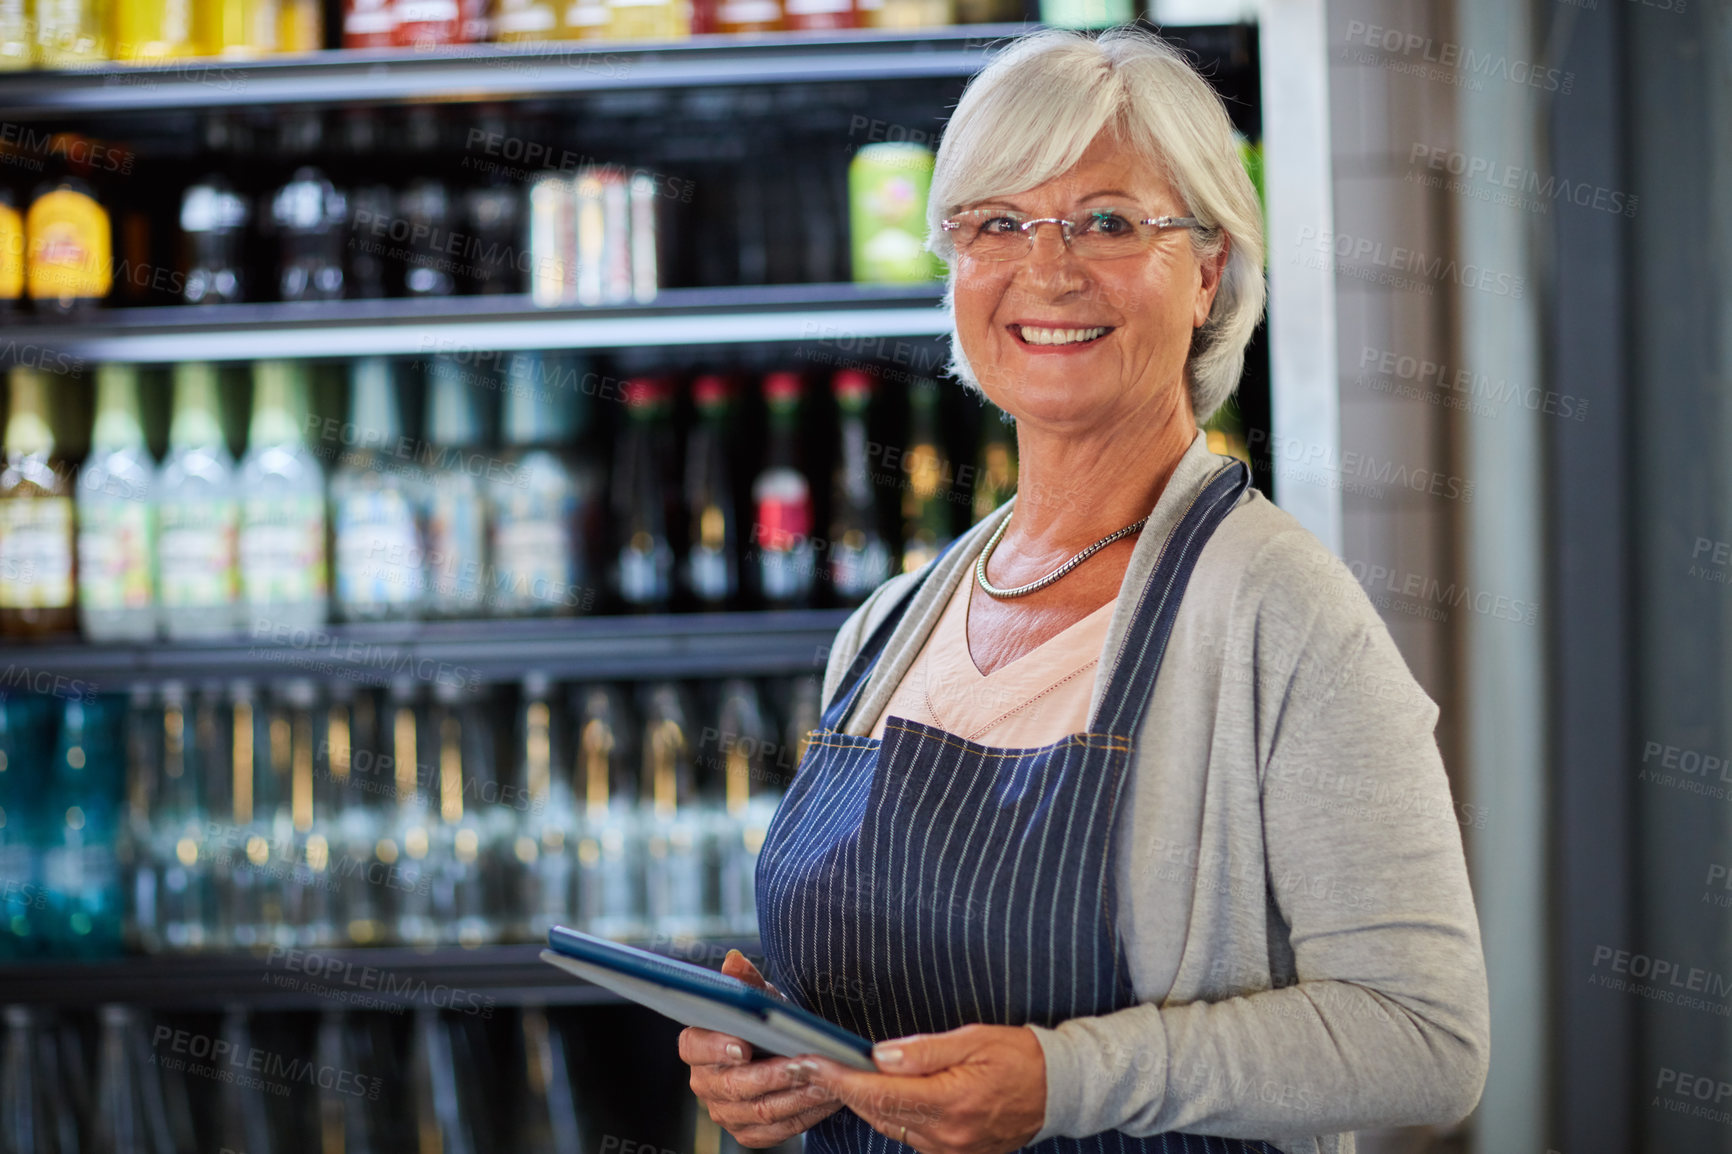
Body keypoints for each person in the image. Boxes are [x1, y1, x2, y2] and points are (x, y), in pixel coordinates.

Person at [679, 25, 1489, 1154]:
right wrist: (780, 1051)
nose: (1046, 268)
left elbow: (1425, 1034)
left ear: (1207, 268)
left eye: (1108, 221)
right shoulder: (890, 627)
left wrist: (1072, 1078)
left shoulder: (1279, 612)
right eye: (996, 223)